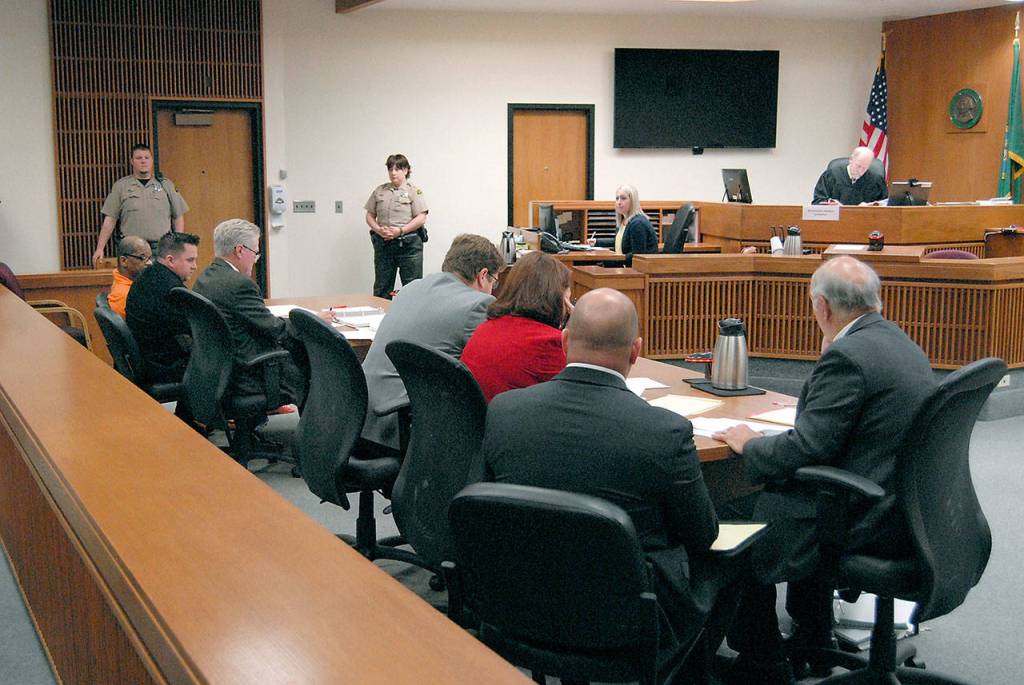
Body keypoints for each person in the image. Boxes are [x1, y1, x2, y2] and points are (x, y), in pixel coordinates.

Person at [712, 256, 936, 684]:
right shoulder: (899, 342)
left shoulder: (849, 357)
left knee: (727, 520)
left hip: (861, 516)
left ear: (822, 306)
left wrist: (750, 444)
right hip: (902, 507)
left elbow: (808, 447)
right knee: (795, 496)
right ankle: (814, 632)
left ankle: (762, 658)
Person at [482, 288, 725, 682]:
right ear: (635, 351)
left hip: (520, 604)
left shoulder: (505, 412)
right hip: (625, 622)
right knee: (735, 549)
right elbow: (703, 536)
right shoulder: (665, 432)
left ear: (563, 341)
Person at [361, 233, 503, 453]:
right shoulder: (478, 304)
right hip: (400, 425)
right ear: (483, 275)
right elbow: (495, 360)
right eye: (494, 281)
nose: (493, 289)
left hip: (361, 414)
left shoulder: (411, 288)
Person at [193, 219, 330, 406]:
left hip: (217, 369)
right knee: (310, 357)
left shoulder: (205, 277)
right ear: (240, 250)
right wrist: (312, 320)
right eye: (255, 253)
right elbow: (275, 330)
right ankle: (314, 432)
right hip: (246, 373)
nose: (256, 260)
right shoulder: (239, 284)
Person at [461, 251, 570, 402]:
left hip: (479, 419)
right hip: (511, 422)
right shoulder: (549, 344)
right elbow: (581, 395)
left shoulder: (486, 327)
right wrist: (580, 326)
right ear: (558, 299)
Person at [93, 143, 189, 267]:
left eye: (146, 158)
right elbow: (110, 219)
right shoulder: (121, 186)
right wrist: (100, 248)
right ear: (132, 161)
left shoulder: (166, 185)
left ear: (152, 161)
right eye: (139, 158)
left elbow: (178, 216)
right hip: (131, 249)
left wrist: (177, 244)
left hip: (160, 248)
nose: (143, 161)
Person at [126, 232, 200, 383]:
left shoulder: (146, 276)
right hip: (163, 368)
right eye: (190, 260)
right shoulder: (172, 291)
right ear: (170, 260)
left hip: (147, 360)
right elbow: (196, 329)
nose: (195, 266)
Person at [364, 153, 428, 299]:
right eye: (390, 169)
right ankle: (381, 319)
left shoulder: (414, 191)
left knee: (413, 288)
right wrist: (378, 230)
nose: (393, 173)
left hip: (408, 245)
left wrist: (400, 231)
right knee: (382, 287)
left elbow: (421, 217)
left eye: (398, 169)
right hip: (384, 245)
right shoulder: (379, 191)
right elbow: (369, 215)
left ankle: (413, 320)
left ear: (406, 170)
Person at [596, 184, 659, 265]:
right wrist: (597, 242)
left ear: (633, 201)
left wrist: (610, 262)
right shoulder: (624, 221)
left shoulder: (638, 224)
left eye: (623, 198)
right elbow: (621, 242)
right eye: (617, 198)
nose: (619, 202)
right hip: (623, 266)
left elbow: (637, 255)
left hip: (638, 271)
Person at [811, 146, 888, 205]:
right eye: (858, 166)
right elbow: (818, 201)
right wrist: (832, 205)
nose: (860, 171)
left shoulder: (876, 181)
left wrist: (869, 207)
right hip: (835, 223)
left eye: (865, 168)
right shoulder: (831, 176)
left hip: (866, 223)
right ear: (851, 159)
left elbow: (886, 205)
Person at [107, 235, 151, 318]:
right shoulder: (126, 296)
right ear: (124, 261)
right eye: (142, 258)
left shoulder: (120, 276)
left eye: (149, 258)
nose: (150, 263)